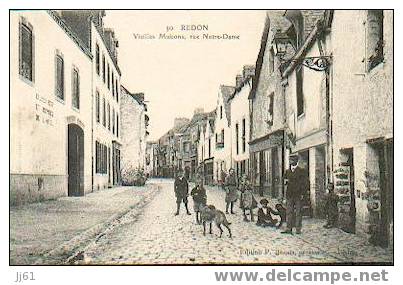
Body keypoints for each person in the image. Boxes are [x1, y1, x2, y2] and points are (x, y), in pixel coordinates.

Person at [281, 155, 309, 235]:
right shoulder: (287, 172)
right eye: (290, 160)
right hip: (290, 195)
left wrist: (303, 194)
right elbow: (284, 183)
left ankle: (298, 229)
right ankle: (288, 228)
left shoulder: (302, 171)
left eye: (293, 160)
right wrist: (284, 195)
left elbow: (305, 184)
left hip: (298, 195)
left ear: (296, 161)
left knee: (298, 212)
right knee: (289, 212)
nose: (291, 162)